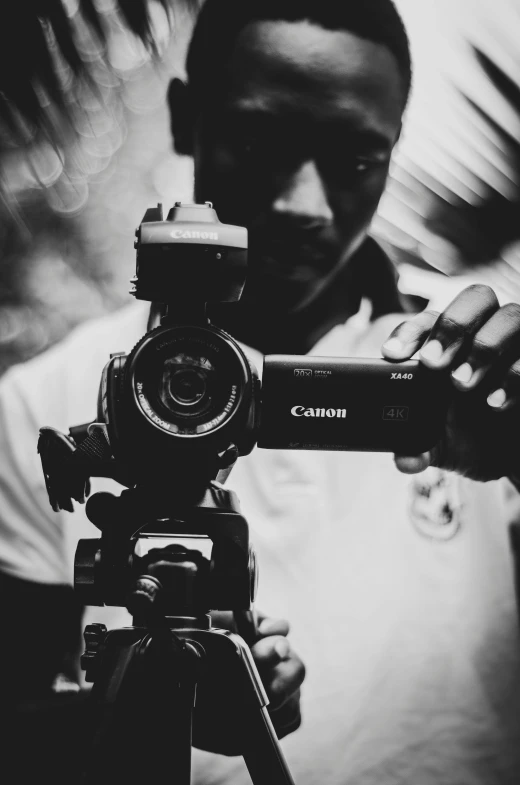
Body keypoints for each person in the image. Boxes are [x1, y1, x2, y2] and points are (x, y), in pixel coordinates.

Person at [3, 0, 520, 783]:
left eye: (353, 161)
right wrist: (146, 708)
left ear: (393, 150)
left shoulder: (471, 378)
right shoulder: (40, 405)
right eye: (258, 142)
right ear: (185, 118)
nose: (301, 206)